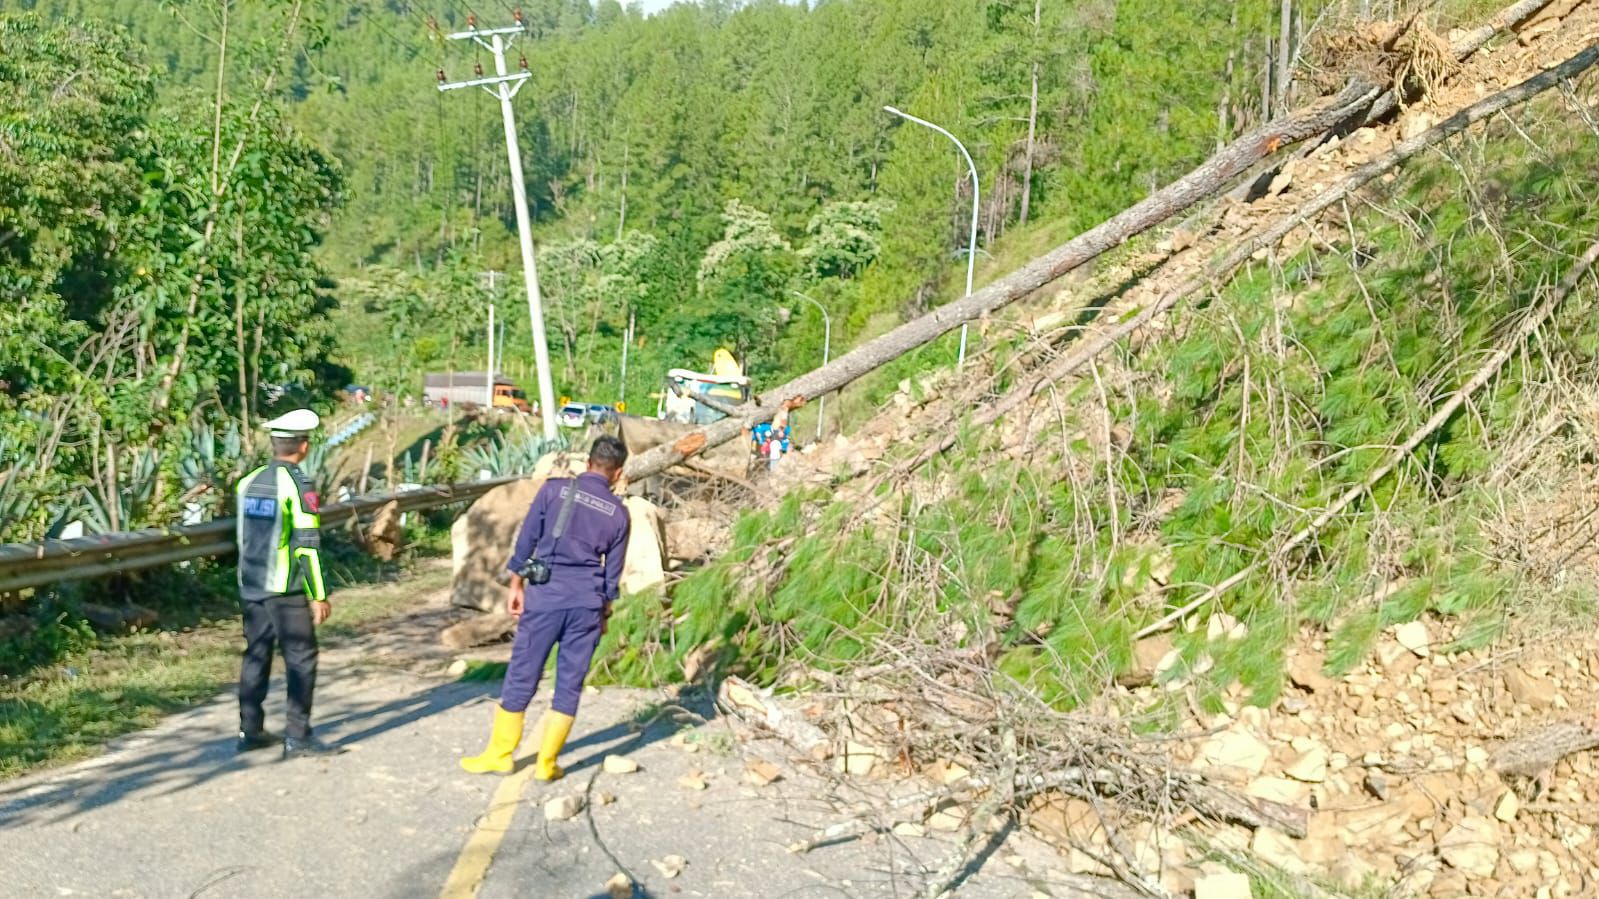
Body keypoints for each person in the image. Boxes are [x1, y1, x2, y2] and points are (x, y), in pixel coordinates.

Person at [460, 437, 632, 779]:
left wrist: (516, 585)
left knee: (523, 673)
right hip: (586, 604)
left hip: (545, 597)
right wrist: (604, 615)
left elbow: (527, 539)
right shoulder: (619, 514)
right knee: (569, 683)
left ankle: (500, 755)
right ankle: (547, 764)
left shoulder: (554, 491)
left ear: (588, 464)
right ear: (618, 473)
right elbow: (612, 576)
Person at [234, 409, 341, 759]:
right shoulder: (299, 485)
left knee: (256, 654)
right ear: (304, 446)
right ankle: (297, 736)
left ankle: (250, 730)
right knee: (301, 658)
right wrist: (318, 594)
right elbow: (307, 544)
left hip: (251, 585)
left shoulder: (247, 482)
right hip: (285, 589)